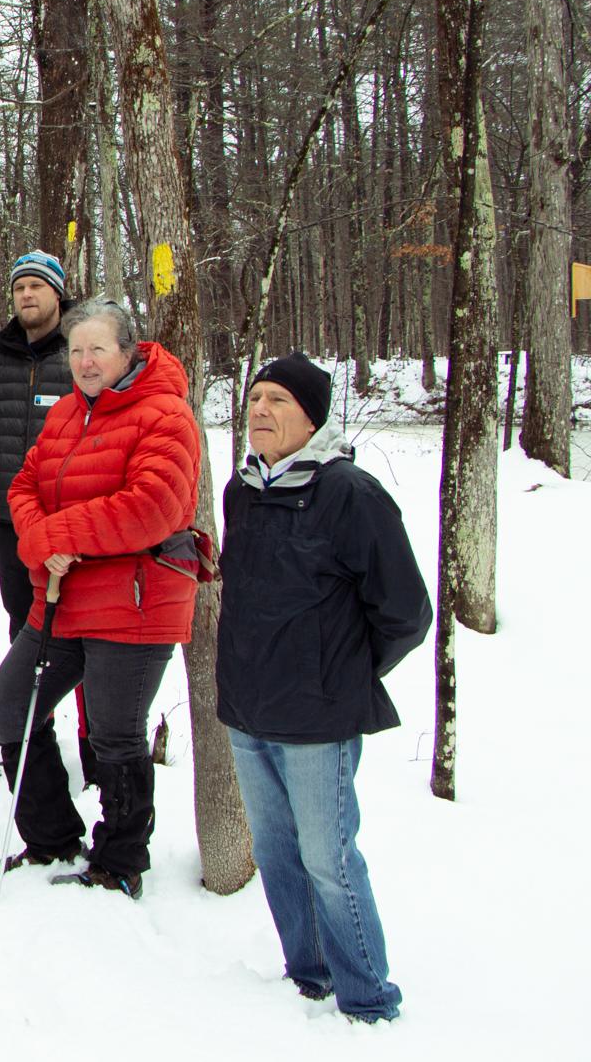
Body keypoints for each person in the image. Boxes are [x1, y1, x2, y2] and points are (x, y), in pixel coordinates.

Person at [219, 353, 429, 1022]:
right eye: (255, 399)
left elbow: (405, 612)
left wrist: (339, 671)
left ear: (312, 417)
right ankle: (308, 974)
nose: (260, 411)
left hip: (316, 719)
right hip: (248, 711)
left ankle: (368, 997)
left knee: (328, 858)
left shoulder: (350, 493)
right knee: (279, 853)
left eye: (278, 400)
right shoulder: (242, 489)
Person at [0, 299, 199, 900]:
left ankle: (121, 859)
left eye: (97, 349)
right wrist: (38, 538)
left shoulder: (165, 415)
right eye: (76, 351)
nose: (84, 362)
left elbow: (153, 507)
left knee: (114, 735)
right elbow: (23, 483)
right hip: (63, 597)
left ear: (128, 351)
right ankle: (51, 835)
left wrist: (53, 535)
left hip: (134, 602)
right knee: (11, 705)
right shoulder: (67, 415)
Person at [0, 250, 87, 783]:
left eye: (36, 287)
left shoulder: (80, 354)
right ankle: (28, 740)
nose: (26, 296)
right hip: (15, 524)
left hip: (71, 525)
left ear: (58, 294)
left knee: (80, 636)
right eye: (19, 288)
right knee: (24, 629)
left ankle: (95, 744)